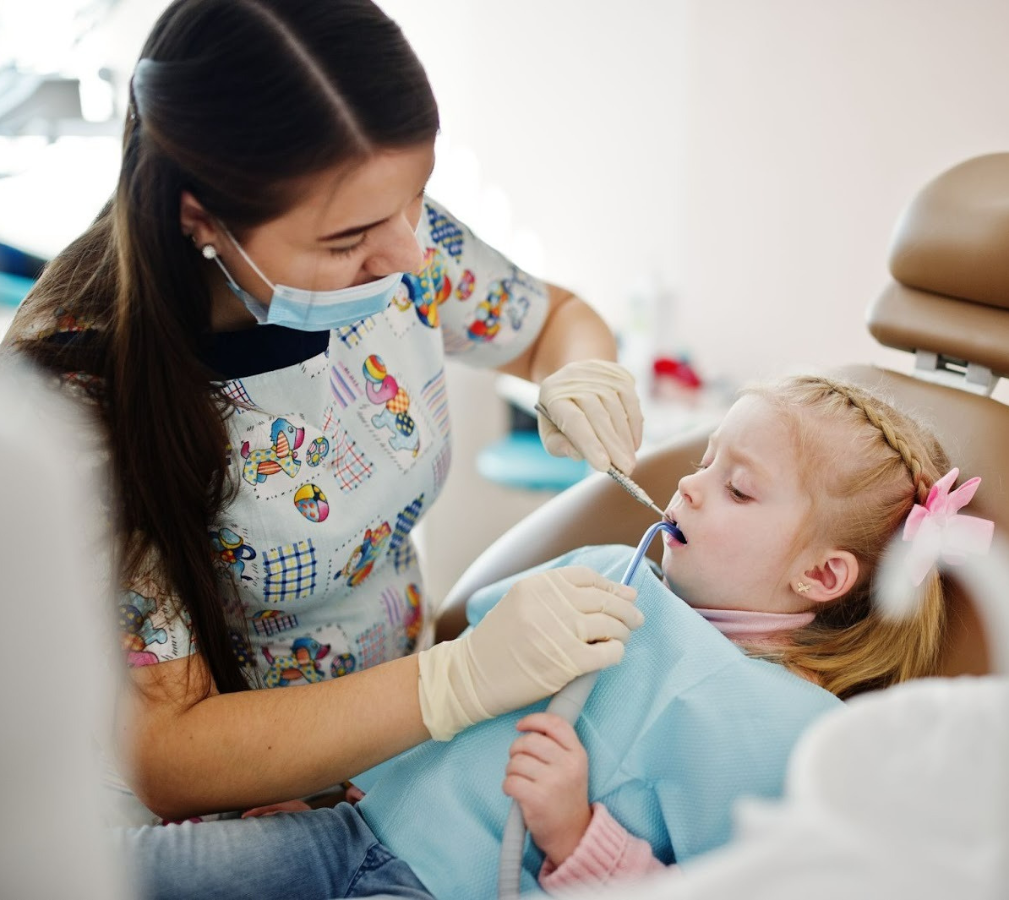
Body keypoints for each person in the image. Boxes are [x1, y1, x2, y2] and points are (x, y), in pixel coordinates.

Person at [1, 0, 648, 826]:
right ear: (201, 218)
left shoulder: (398, 240)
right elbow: (167, 752)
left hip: (402, 748)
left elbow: (553, 319)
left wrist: (582, 370)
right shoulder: (77, 399)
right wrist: (457, 681)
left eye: (417, 198)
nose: (410, 255)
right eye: (346, 242)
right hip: (226, 815)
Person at [120, 374, 993, 899]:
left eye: (738, 489)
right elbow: (451, 690)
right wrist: (336, 783)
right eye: (704, 462)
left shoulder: (780, 728)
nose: (687, 488)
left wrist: (578, 836)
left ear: (823, 576)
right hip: (346, 831)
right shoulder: (612, 571)